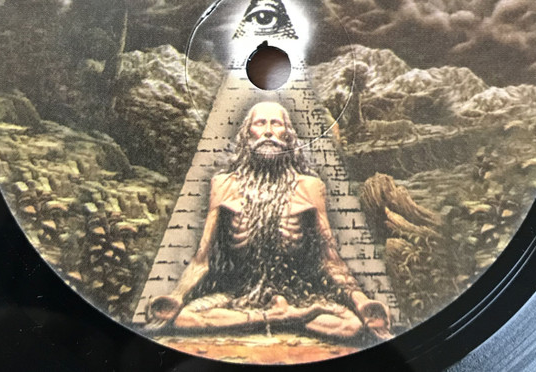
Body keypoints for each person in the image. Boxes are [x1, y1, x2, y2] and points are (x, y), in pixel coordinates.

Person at [146, 101, 392, 341]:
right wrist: (177, 296)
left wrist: (362, 302)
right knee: (184, 318)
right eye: (260, 123)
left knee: (351, 326)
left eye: (276, 124)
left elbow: (331, 260)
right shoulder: (223, 185)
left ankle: (279, 315)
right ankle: (278, 318)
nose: (267, 131)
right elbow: (202, 260)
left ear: (288, 135)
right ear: (247, 134)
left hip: (298, 296)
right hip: (240, 295)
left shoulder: (310, 186)